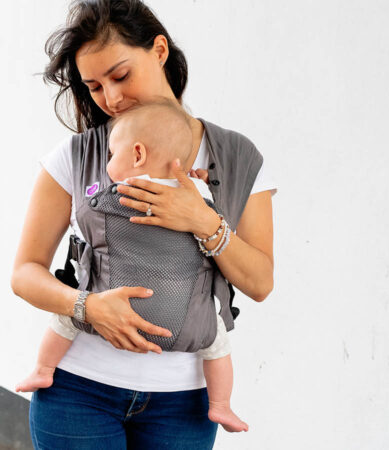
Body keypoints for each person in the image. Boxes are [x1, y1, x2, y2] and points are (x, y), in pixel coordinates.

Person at [10, 1, 276, 447]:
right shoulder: (78, 156)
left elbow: (261, 283)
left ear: (158, 50)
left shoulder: (238, 157)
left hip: (184, 403)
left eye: (119, 75)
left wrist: (203, 221)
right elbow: (24, 273)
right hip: (79, 390)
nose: (110, 99)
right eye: (94, 86)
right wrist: (87, 307)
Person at [15, 100, 248, 433]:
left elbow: (88, 231)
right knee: (217, 345)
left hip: (158, 389)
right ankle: (222, 405)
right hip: (183, 326)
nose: (107, 162)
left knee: (66, 320)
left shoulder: (113, 194)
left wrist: (85, 305)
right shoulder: (199, 195)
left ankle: (42, 368)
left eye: (112, 155)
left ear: (137, 155)